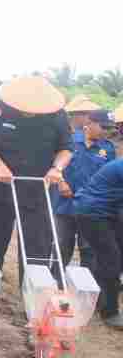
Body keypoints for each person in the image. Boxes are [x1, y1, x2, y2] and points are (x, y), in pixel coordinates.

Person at [0, 76, 72, 288]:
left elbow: (66, 148)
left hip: (38, 189)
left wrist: (57, 169)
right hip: (0, 185)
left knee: (37, 246)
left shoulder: (57, 114)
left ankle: (32, 296)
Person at [54, 109, 116, 269]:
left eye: (109, 128)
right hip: (64, 204)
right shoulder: (69, 142)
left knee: (89, 250)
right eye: (103, 127)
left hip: (90, 208)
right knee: (61, 246)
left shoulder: (108, 149)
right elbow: (53, 165)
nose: (106, 132)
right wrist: (61, 182)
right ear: (90, 123)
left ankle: (87, 290)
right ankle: (56, 285)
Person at [74, 158, 123, 328]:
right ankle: (109, 313)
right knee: (111, 260)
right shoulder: (120, 167)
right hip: (92, 214)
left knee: (113, 259)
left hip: (109, 213)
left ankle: (97, 297)